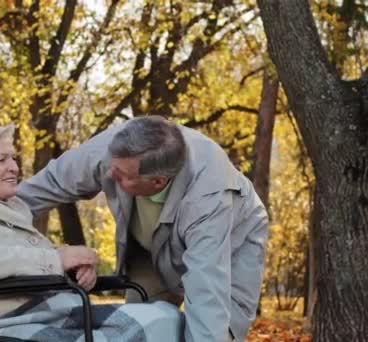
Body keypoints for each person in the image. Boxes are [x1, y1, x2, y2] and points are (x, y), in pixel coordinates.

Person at [0, 122, 184, 341]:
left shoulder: (5, 204)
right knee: (157, 325)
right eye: (2, 159)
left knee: (166, 316)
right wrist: (56, 260)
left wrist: (72, 271)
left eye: (13, 158)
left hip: (53, 310)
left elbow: (25, 259)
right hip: (7, 322)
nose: (14, 167)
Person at [17, 116, 269, 342]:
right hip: (150, 246)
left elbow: (207, 290)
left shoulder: (209, 195)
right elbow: (51, 183)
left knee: (219, 331)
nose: (110, 174)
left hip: (232, 244)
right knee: (141, 326)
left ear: (157, 181)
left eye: (122, 174)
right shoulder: (114, 148)